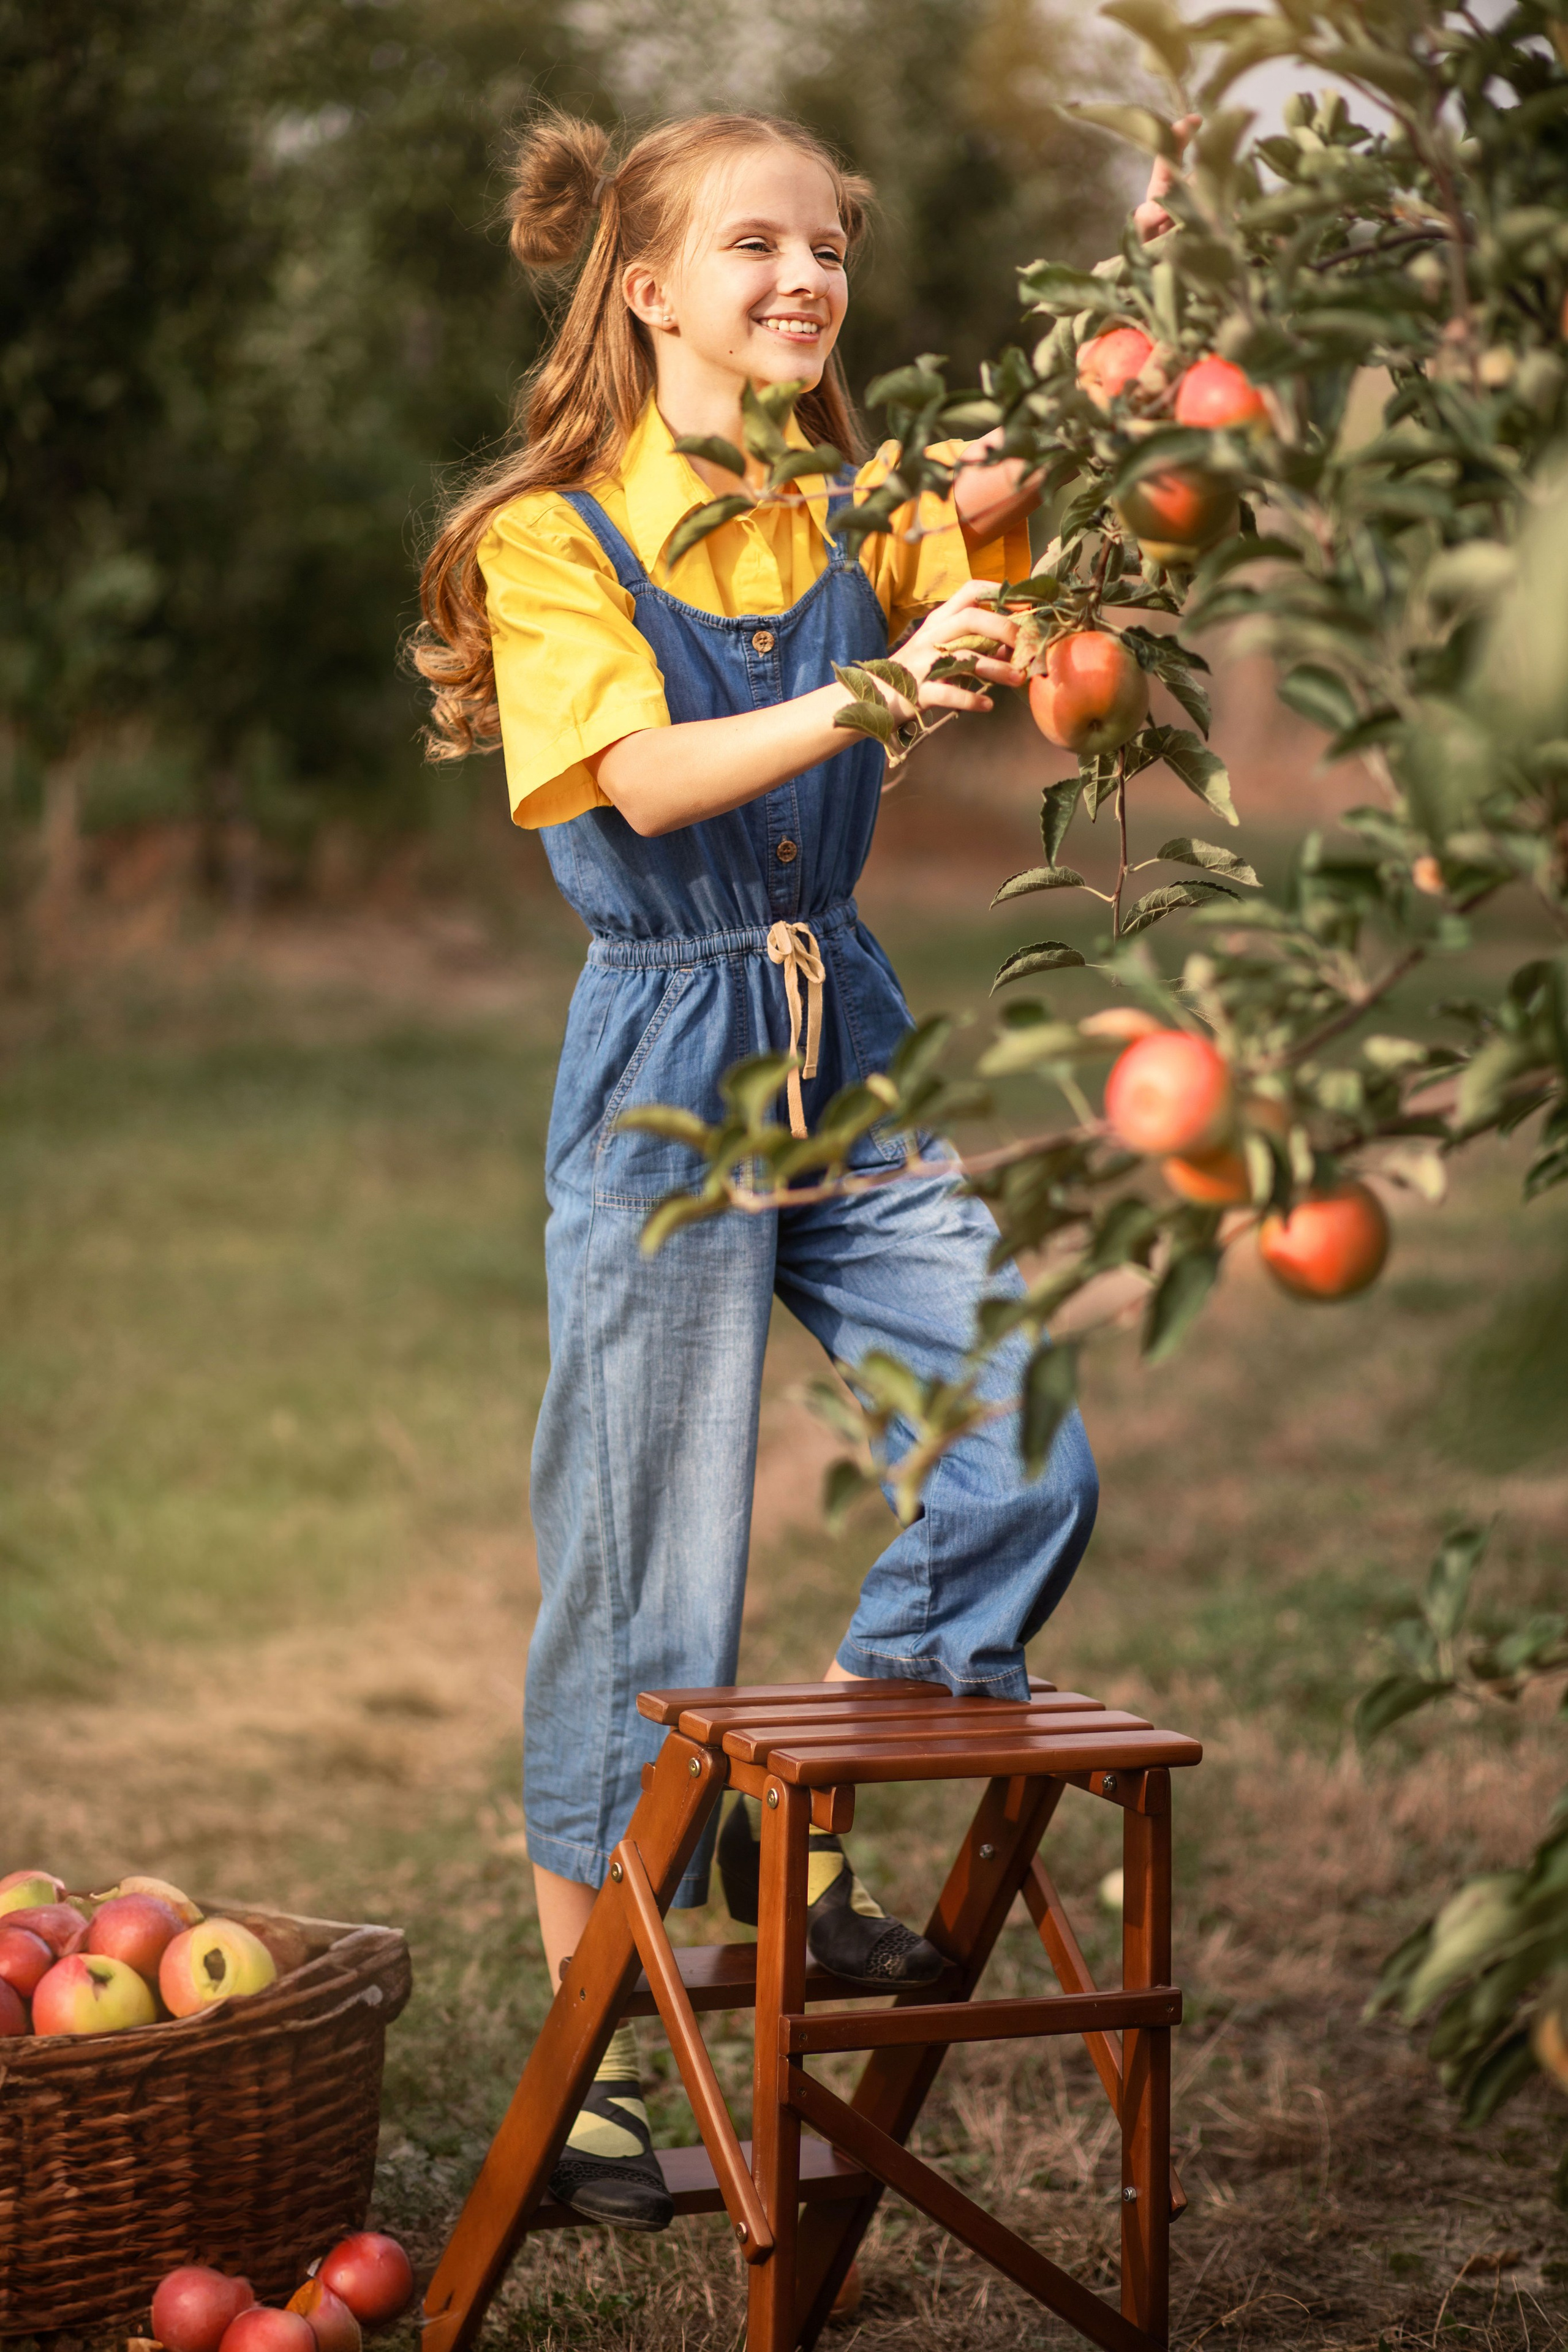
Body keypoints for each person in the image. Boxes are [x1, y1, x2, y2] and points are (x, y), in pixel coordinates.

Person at [415, 105, 1177, 2234]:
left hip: (839, 1032)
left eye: (829, 246)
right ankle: (582, 2070)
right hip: (667, 1052)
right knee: (648, 1573)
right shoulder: (554, 535)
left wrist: (1141, 336)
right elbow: (644, 781)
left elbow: (1045, 542)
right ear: (648, 285)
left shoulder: (868, 503)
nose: (805, 279)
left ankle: (795, 1825)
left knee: (1019, 1451)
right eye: (754, 244)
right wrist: (871, 686)